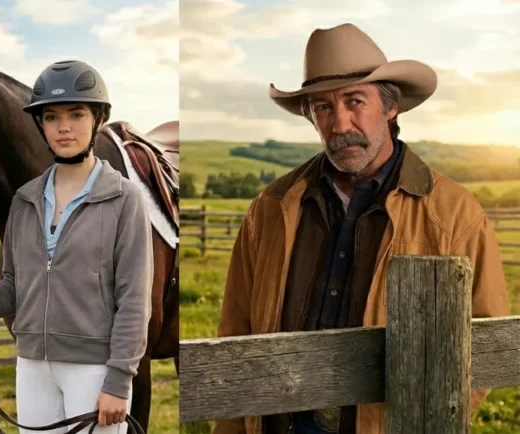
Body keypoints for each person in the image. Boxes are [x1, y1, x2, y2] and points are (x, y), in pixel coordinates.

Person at [212, 23, 510, 434]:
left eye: (355, 101)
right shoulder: (271, 208)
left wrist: (426, 421)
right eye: (322, 107)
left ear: (390, 107)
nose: (339, 124)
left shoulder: (454, 213)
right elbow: (235, 333)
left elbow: (487, 346)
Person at [0, 60, 154, 433]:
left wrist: (117, 382)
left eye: (76, 114)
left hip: (93, 370)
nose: (63, 126)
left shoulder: (125, 199)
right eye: (51, 117)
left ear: (98, 119)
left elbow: (134, 302)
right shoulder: (25, 201)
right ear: (41, 125)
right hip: (32, 367)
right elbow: (14, 291)